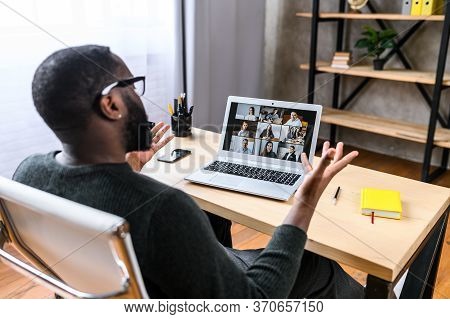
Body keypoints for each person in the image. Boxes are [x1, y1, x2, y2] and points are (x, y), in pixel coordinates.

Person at [13, 45, 364, 298]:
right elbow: (254, 299)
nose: (137, 95)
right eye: (132, 86)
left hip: (112, 290)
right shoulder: (162, 208)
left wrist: (131, 166)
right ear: (111, 104)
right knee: (319, 261)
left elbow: (101, 192)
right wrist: (304, 201)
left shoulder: (28, 174)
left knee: (211, 218)